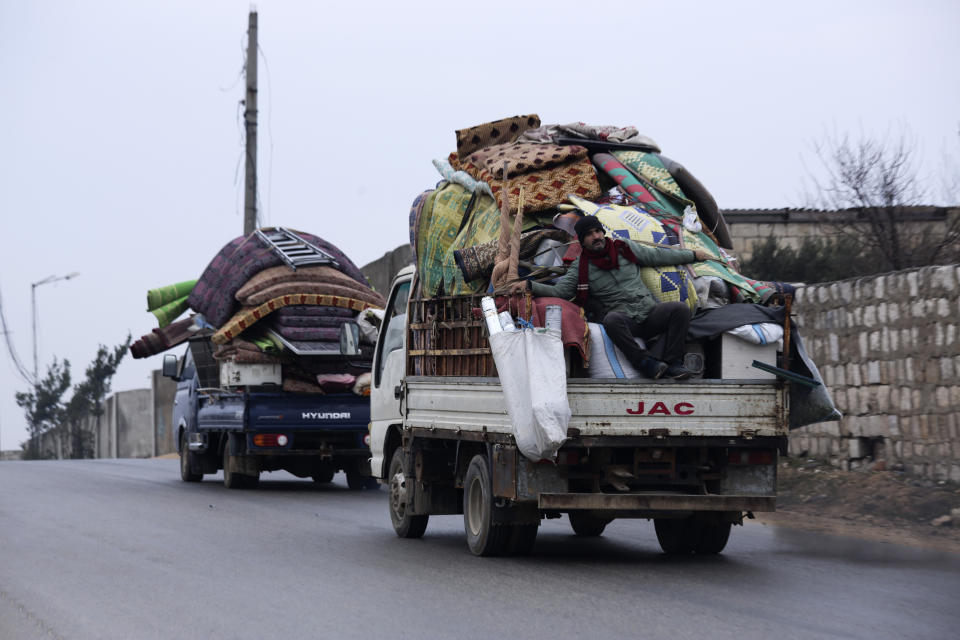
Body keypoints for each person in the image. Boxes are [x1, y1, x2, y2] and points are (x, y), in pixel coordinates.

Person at [510, 215, 709, 380]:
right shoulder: (581, 266)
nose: (596, 237)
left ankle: (673, 363)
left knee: (679, 310)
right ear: (582, 241)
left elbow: (658, 256)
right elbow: (560, 292)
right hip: (625, 320)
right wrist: (529, 285)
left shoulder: (624, 249)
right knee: (611, 320)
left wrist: (692, 255)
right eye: (589, 234)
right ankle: (646, 363)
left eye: (597, 231)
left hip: (649, 313)